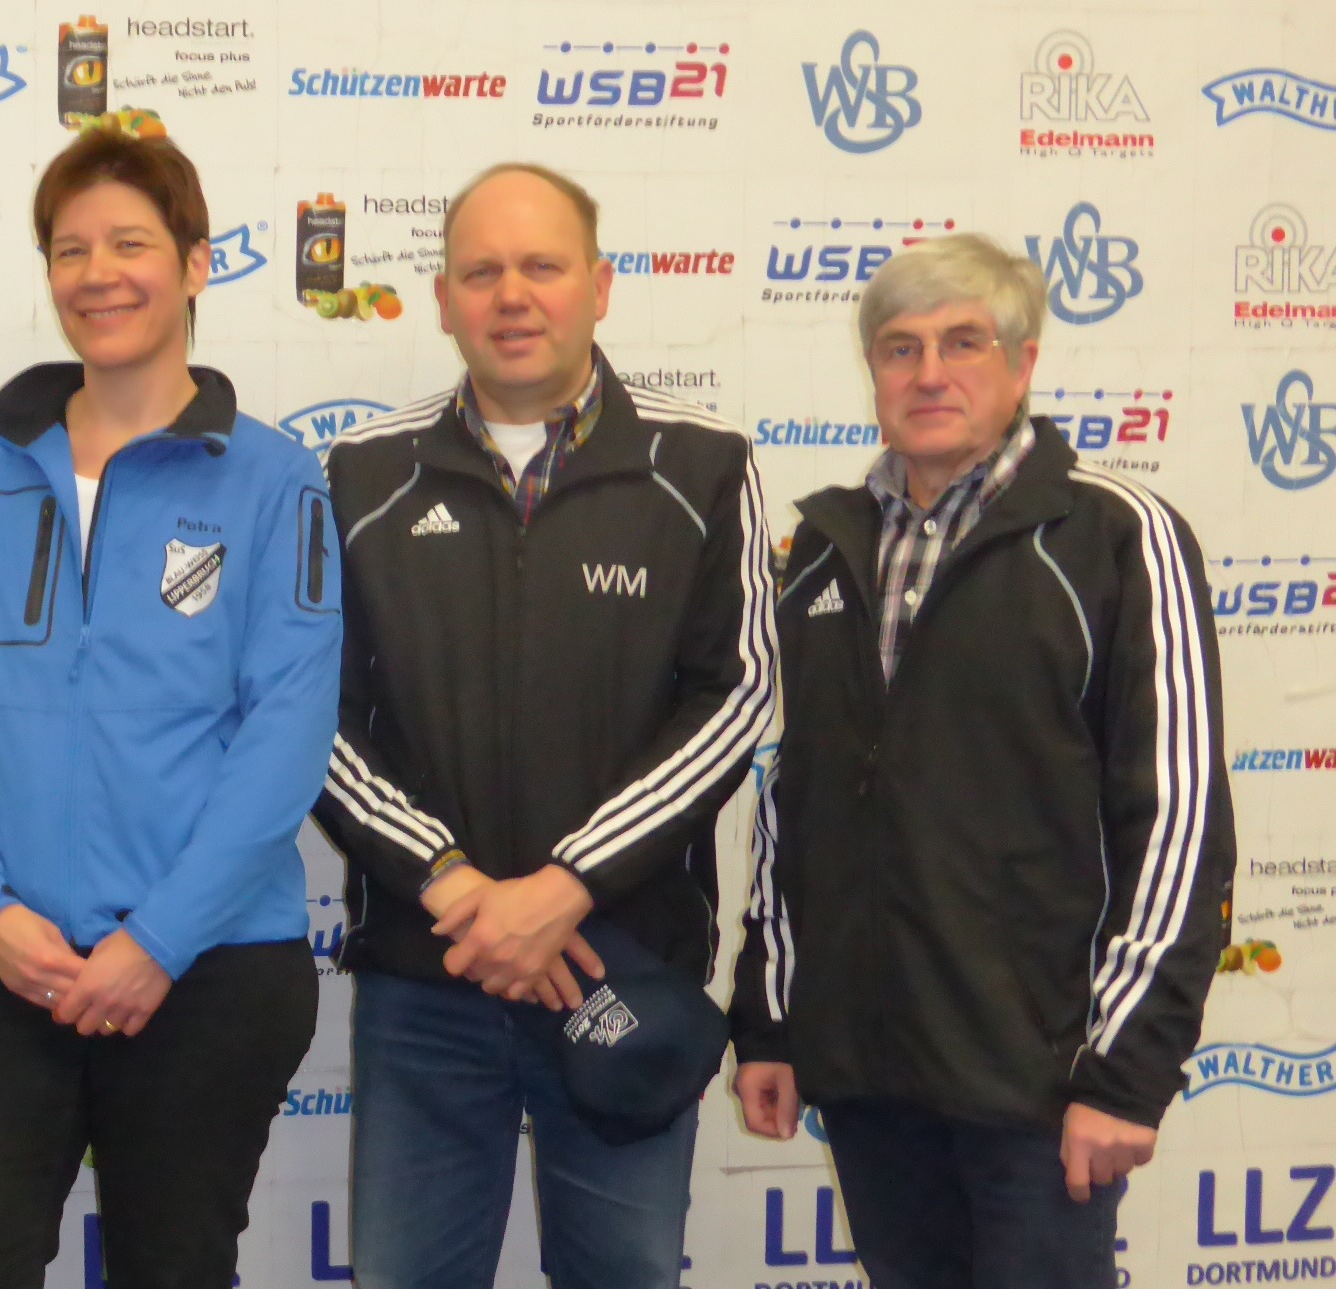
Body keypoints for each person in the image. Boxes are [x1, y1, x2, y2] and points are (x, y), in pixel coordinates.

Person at [729, 233, 1235, 1289]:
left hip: (1039, 1087)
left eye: (962, 342)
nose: (928, 372)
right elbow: (791, 801)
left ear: (1021, 362)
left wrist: (1124, 1074)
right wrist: (770, 1018)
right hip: (870, 1078)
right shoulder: (822, 550)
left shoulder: (1115, 537)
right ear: (872, 370)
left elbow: (1178, 825)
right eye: (899, 348)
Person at [0, 123, 341, 1289]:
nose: (97, 274)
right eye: (70, 249)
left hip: (206, 968)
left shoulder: (273, 477)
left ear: (194, 264)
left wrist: (156, 940)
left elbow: (285, 734)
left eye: (129, 244)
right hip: (8, 964)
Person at [313, 163, 775, 1288]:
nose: (510, 295)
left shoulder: (702, 465)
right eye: (480, 272)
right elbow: (314, 718)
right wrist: (455, 887)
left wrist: (565, 885)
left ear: (599, 286)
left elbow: (735, 697)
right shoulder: (362, 474)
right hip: (429, 977)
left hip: (621, 969)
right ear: (441, 300)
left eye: (541, 267)